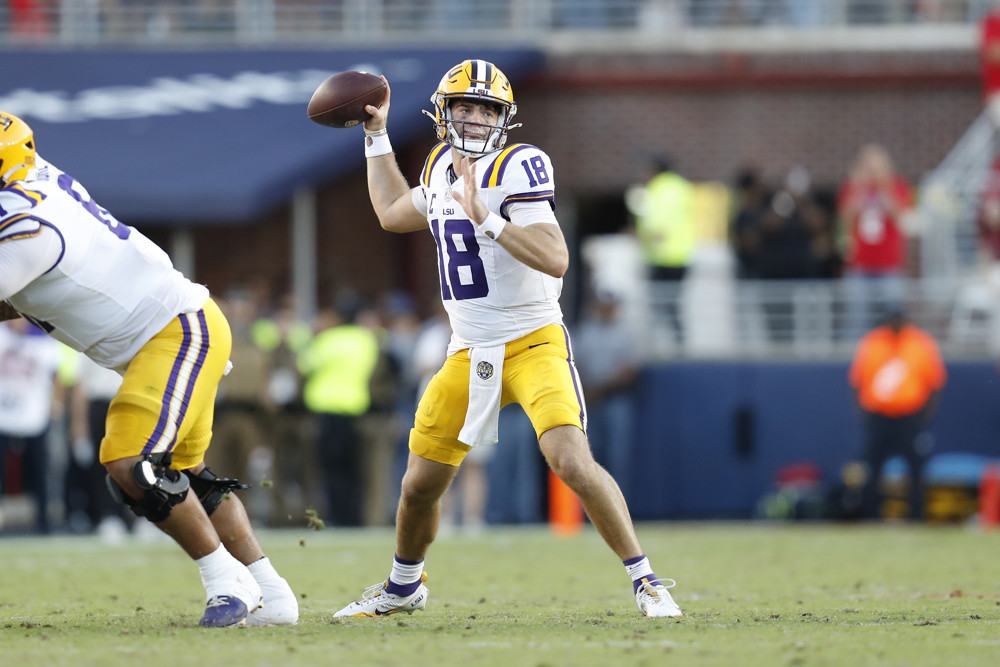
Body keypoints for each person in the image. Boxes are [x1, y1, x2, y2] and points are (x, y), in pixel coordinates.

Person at [332, 59, 682, 618]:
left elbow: (557, 258)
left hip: (532, 339)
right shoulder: (440, 165)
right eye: (464, 107)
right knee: (419, 483)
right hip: (468, 348)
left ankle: (646, 580)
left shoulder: (517, 167)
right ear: (444, 113)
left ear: (503, 118)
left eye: (485, 109)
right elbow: (394, 213)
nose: (473, 118)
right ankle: (404, 586)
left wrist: (488, 220)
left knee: (569, 458)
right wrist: (376, 137)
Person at [0, 111, 297, 628]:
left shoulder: (27, 227)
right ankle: (274, 595)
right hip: (176, 329)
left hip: (176, 332)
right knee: (186, 476)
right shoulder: (30, 185)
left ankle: (226, 582)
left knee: (130, 461)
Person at [848, 308, 947, 521]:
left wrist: (923, 417)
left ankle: (917, 516)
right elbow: (858, 382)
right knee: (872, 467)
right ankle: (871, 516)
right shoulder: (872, 342)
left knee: (917, 468)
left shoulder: (920, 342)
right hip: (879, 415)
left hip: (910, 415)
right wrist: (865, 414)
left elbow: (934, 383)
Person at [837, 144, 915, 341]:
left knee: (893, 315)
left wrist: (884, 186)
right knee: (857, 318)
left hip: (889, 266)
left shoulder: (897, 185)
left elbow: (900, 215)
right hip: (860, 265)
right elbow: (844, 214)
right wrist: (859, 187)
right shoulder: (854, 186)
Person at [0, 319, 61, 534]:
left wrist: (55, 401)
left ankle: (44, 523)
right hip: (4, 414)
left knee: (40, 470)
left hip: (34, 413)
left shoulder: (43, 340)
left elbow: (56, 375)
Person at [631, 154, 697, 347]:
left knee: (659, 304)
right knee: (674, 305)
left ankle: (662, 346)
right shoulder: (682, 186)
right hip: (682, 256)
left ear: (654, 169)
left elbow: (656, 225)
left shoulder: (656, 189)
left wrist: (643, 239)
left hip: (661, 257)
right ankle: (680, 343)